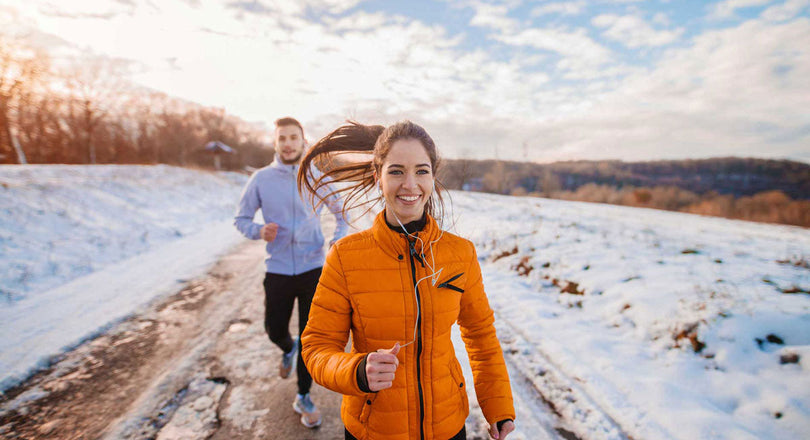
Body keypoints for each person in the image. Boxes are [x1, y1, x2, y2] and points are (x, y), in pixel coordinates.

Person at [298, 121, 515, 440]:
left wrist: (497, 405)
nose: (410, 184)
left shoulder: (460, 253)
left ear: (433, 177)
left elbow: (481, 335)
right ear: (378, 177)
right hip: (373, 430)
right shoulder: (346, 257)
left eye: (421, 171)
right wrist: (357, 371)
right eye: (397, 171)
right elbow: (317, 348)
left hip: (447, 427)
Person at [234, 116, 348, 429]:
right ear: (275, 143)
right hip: (279, 269)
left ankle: (303, 394)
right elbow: (241, 219)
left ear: (302, 140)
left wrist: (336, 241)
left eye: (293, 138)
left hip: (314, 269)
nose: (287, 144)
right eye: (282, 138)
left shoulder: (316, 176)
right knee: (274, 329)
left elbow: (343, 215)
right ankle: (287, 348)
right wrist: (259, 231)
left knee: (310, 339)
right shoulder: (260, 179)